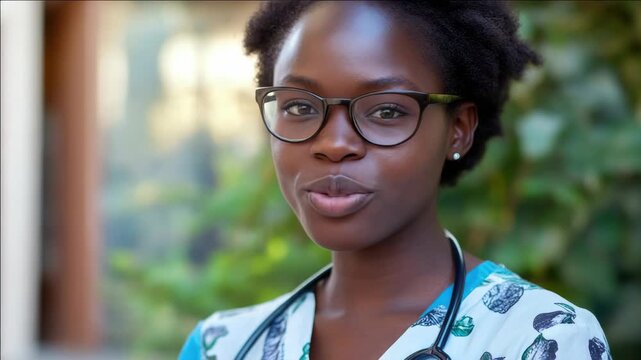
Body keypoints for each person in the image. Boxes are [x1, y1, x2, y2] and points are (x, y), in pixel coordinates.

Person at [180, 1, 610, 359]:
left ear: (458, 128)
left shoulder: (542, 339)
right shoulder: (223, 346)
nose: (333, 143)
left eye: (386, 110)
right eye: (300, 107)